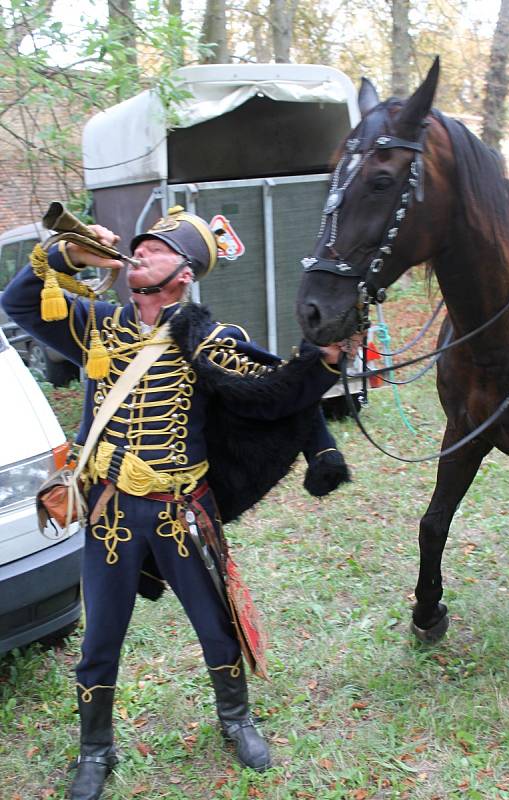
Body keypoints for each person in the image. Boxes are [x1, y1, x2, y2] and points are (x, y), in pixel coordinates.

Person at [1, 205, 349, 800]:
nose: (139, 252)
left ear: (184, 272)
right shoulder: (99, 325)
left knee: (215, 626)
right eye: (137, 246)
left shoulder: (211, 339)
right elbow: (19, 303)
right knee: (99, 639)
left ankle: (236, 719)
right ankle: (95, 750)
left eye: (155, 248)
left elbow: (271, 392)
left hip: (181, 509)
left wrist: (324, 362)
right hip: (110, 509)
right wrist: (69, 255)